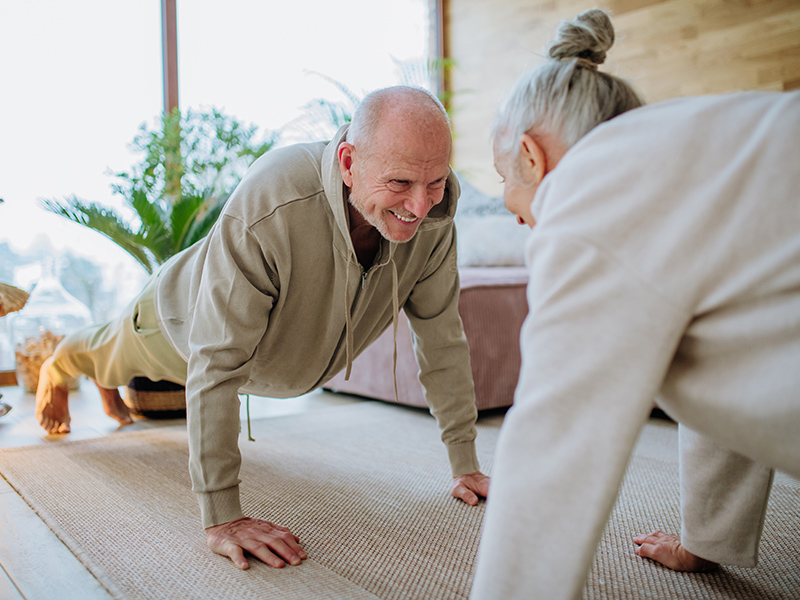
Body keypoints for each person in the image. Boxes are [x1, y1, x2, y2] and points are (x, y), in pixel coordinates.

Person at [35, 85, 491, 570]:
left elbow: (442, 337)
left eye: (435, 183)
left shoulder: (436, 220)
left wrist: (466, 463)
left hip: (265, 360)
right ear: (349, 162)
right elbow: (214, 361)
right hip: (180, 324)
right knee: (106, 349)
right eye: (399, 183)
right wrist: (222, 517)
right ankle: (60, 362)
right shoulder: (274, 196)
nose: (420, 207)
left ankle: (99, 373)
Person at [469, 9, 800, 600]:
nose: (512, 212)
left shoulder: (587, 193)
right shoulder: (689, 142)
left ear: (531, 156)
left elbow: (554, 438)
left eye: (504, 183)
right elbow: (728, 347)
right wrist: (708, 542)